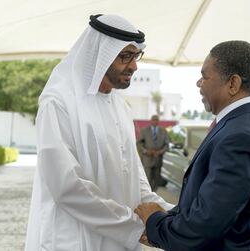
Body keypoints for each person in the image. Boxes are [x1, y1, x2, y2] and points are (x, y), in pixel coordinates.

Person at [24, 14, 173, 251]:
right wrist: (135, 226)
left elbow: (135, 178)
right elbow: (66, 186)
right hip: (73, 241)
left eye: (136, 56)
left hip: (121, 240)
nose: (134, 66)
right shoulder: (59, 102)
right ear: (98, 56)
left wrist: (175, 217)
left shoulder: (120, 106)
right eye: (125, 56)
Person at [135, 40, 250, 251]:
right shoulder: (249, 121)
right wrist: (170, 220)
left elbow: (205, 226)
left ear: (233, 84)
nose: (198, 83)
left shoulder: (239, 136)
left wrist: (154, 221)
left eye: (204, 76)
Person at [138, 115, 169, 191]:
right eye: (153, 120)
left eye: (156, 120)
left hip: (158, 159)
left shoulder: (163, 131)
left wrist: (160, 152)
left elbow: (167, 145)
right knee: (147, 177)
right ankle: (147, 193)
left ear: (158, 121)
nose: (155, 121)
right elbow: (139, 143)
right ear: (151, 121)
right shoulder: (144, 130)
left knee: (156, 179)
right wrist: (146, 151)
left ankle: (154, 194)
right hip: (147, 159)